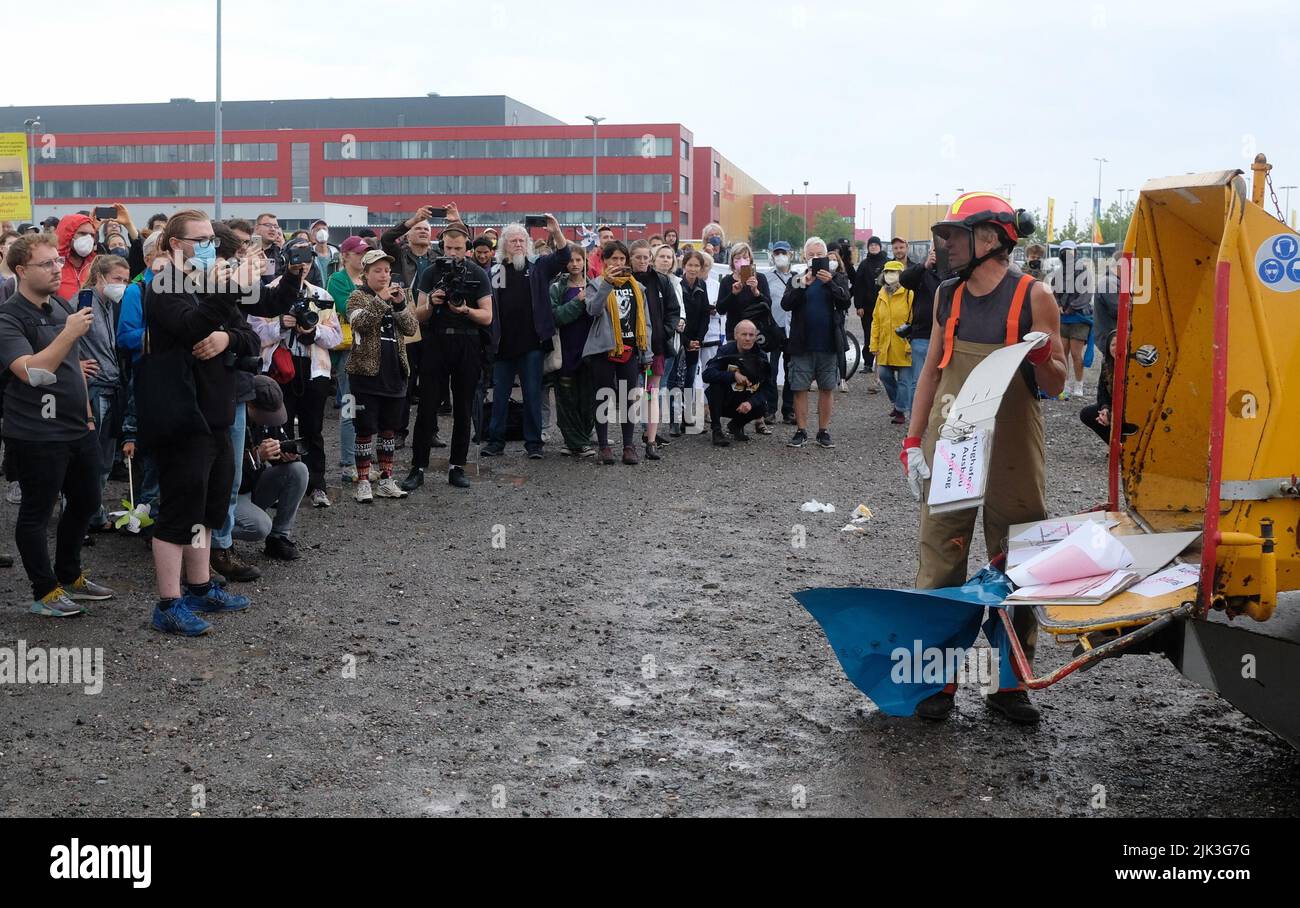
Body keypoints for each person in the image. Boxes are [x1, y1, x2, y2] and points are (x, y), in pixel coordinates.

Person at [903, 192, 1065, 724]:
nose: (946, 245)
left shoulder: (1033, 296)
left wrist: (1042, 354)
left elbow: (1057, 383)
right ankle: (937, 681)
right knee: (941, 557)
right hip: (953, 444)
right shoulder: (947, 295)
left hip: (1012, 447)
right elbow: (930, 372)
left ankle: (1008, 683)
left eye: (956, 235)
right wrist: (912, 440)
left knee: (1014, 559)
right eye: (944, 236)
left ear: (991, 238)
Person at [142, 211, 263, 636]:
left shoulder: (203, 284)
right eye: (202, 239)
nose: (211, 246)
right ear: (176, 243)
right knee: (179, 508)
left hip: (215, 408)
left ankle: (200, 587)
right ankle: (168, 603)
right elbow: (190, 325)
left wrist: (228, 336)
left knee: (208, 507)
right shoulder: (161, 285)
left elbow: (249, 338)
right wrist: (231, 288)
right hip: (181, 412)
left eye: (213, 239)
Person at [0, 234, 115, 616]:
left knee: (86, 501)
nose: (56, 269)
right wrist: (68, 332)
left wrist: (86, 413)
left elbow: (71, 365)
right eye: (46, 264)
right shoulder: (9, 318)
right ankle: (44, 591)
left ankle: (70, 575)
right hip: (35, 432)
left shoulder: (60, 305)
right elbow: (32, 371)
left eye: (57, 262)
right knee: (37, 511)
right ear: (20, 270)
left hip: (76, 427)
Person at [248, 245, 342, 508]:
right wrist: (281, 325)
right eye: (298, 261)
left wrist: (313, 332)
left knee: (314, 429)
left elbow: (336, 337)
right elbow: (255, 336)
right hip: (279, 368)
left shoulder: (321, 295)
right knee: (279, 428)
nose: (303, 267)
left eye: (308, 261)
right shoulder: (269, 293)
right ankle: (281, 484)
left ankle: (317, 485)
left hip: (314, 368)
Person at [405, 223, 493, 490]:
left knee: (463, 408)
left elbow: (487, 316)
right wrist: (432, 302)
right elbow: (416, 316)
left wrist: (466, 310)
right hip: (436, 340)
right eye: (448, 247)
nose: (453, 253)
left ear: (467, 248)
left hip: (467, 342)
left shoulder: (478, 273)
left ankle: (457, 466)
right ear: (441, 246)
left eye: (458, 248)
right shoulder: (431, 272)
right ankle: (417, 467)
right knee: (427, 407)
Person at [481, 216, 570, 459]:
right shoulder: (495, 270)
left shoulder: (537, 266)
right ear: (504, 245)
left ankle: (533, 444)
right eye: (513, 241)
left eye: (522, 240)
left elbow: (564, 258)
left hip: (532, 343)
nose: (518, 244)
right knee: (500, 395)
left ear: (528, 244)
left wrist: (557, 231)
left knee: (532, 394)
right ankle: (495, 441)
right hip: (502, 344)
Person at [345, 249, 418, 501]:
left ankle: (387, 479)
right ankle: (363, 481)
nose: (384, 275)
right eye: (377, 271)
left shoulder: (398, 296)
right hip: (365, 375)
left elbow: (411, 328)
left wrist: (399, 305)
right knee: (364, 429)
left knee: (389, 429)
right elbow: (360, 323)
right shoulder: (357, 297)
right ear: (366, 274)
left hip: (395, 373)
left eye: (387, 271)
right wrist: (381, 300)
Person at [582, 240, 652, 465]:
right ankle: (604, 446)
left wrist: (647, 353)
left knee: (629, 398)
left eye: (622, 259)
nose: (619, 263)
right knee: (603, 396)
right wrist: (607, 284)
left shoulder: (637, 287)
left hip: (630, 349)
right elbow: (592, 310)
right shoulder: (595, 284)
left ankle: (628, 446)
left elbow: (646, 323)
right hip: (604, 349)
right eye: (614, 259)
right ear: (604, 261)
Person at [782, 236, 851, 448]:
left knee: (827, 388)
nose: (815, 258)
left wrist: (829, 283)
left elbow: (845, 301)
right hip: (802, 344)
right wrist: (802, 285)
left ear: (826, 256)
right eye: (811, 255)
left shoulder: (837, 277)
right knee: (800, 387)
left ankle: (823, 431)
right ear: (804, 257)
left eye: (819, 255)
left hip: (829, 343)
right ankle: (801, 430)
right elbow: (786, 304)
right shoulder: (796, 277)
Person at [78, 254, 131, 530]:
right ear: (99, 277)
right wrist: (75, 363)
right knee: (89, 458)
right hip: (94, 388)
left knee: (105, 459)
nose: (121, 285)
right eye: (116, 279)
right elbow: (64, 336)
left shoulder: (110, 305)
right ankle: (79, 518)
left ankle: (94, 515)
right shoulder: (83, 302)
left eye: (125, 280)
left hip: (111, 385)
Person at [233, 376, 311, 560]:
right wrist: (256, 456)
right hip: (230, 495)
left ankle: (278, 538)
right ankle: (213, 540)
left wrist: (285, 457)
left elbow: (282, 454)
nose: (268, 421)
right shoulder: (232, 419)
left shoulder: (268, 417)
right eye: (264, 416)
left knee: (298, 470)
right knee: (259, 526)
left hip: (253, 486)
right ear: (249, 405)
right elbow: (223, 472)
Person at [629, 240, 680, 460]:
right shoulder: (624, 280)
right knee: (631, 392)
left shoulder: (661, 281)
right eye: (638, 257)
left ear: (650, 257)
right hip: (629, 348)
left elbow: (673, 309)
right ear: (631, 258)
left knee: (652, 393)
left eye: (645, 257)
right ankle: (628, 442)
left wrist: (664, 332)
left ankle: (651, 441)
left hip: (655, 347)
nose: (642, 261)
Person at [326, 235, 367, 483]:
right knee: (349, 405)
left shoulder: (369, 277)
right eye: (358, 253)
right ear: (346, 255)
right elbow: (347, 309)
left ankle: (361, 460)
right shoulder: (337, 280)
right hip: (348, 350)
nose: (363, 257)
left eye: (365, 252)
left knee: (365, 407)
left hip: (370, 349)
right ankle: (348, 462)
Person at [549, 244, 596, 457]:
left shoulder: (594, 286)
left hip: (589, 351)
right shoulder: (557, 287)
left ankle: (583, 438)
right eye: (570, 260)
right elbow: (556, 317)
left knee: (588, 397)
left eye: (578, 260)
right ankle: (573, 441)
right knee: (566, 397)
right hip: (565, 350)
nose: (575, 264)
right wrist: (577, 302)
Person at [702, 320, 770, 446]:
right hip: (724, 401)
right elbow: (706, 375)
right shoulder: (725, 351)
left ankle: (736, 425)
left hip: (744, 402)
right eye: (744, 334)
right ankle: (716, 430)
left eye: (751, 335)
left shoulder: (761, 357)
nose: (748, 338)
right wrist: (733, 375)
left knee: (763, 407)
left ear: (756, 337)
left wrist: (751, 403)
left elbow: (767, 389)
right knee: (715, 386)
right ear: (735, 336)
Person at [899, 244, 945, 416]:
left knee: (943, 381)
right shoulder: (922, 272)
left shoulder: (953, 273)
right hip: (922, 334)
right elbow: (904, 279)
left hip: (947, 336)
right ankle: (916, 417)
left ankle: (936, 416)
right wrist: (924, 265)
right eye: (935, 251)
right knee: (919, 379)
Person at [870, 260, 915, 424]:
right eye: (887, 272)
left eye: (894, 272)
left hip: (904, 346)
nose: (890, 275)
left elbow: (914, 320)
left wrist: (911, 343)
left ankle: (900, 411)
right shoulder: (881, 294)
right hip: (885, 345)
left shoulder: (910, 293)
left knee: (905, 381)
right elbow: (876, 321)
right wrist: (873, 344)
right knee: (884, 375)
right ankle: (898, 404)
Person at [651, 242, 685, 443]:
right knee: (649, 387)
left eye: (669, 257)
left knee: (663, 385)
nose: (666, 260)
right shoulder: (650, 281)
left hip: (674, 341)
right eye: (661, 256)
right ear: (654, 259)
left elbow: (680, 308)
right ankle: (647, 429)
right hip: (656, 341)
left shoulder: (676, 282)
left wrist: (682, 320)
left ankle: (655, 429)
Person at [676, 249, 711, 435]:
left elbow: (705, 314)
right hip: (678, 339)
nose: (693, 268)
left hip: (695, 341)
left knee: (689, 379)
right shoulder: (677, 285)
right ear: (684, 266)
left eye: (697, 265)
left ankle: (687, 418)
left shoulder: (702, 286)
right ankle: (674, 417)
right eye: (690, 265)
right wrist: (686, 340)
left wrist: (699, 339)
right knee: (676, 379)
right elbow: (675, 315)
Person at [1054, 240, 1093, 399]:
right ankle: (1065, 384)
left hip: (1080, 318)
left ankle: (1079, 384)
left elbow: (1086, 295)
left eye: (1069, 252)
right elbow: (1054, 292)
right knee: (1062, 353)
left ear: (1075, 253)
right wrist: (1057, 305)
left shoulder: (1084, 272)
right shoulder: (1058, 273)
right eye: (1064, 252)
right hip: (1063, 319)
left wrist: (1070, 308)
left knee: (1077, 354)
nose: (1067, 255)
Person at [853, 236, 887, 394]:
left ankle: (883, 365)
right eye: (871, 245)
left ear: (880, 247)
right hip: (867, 308)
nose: (873, 247)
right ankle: (868, 363)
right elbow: (857, 285)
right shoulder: (864, 264)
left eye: (876, 245)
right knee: (868, 334)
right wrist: (858, 305)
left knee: (884, 335)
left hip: (885, 306)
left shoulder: (887, 263)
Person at [55, 213, 100, 302]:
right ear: (67, 234)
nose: (88, 239)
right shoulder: (53, 267)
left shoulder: (95, 267)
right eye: (82, 233)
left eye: (91, 235)